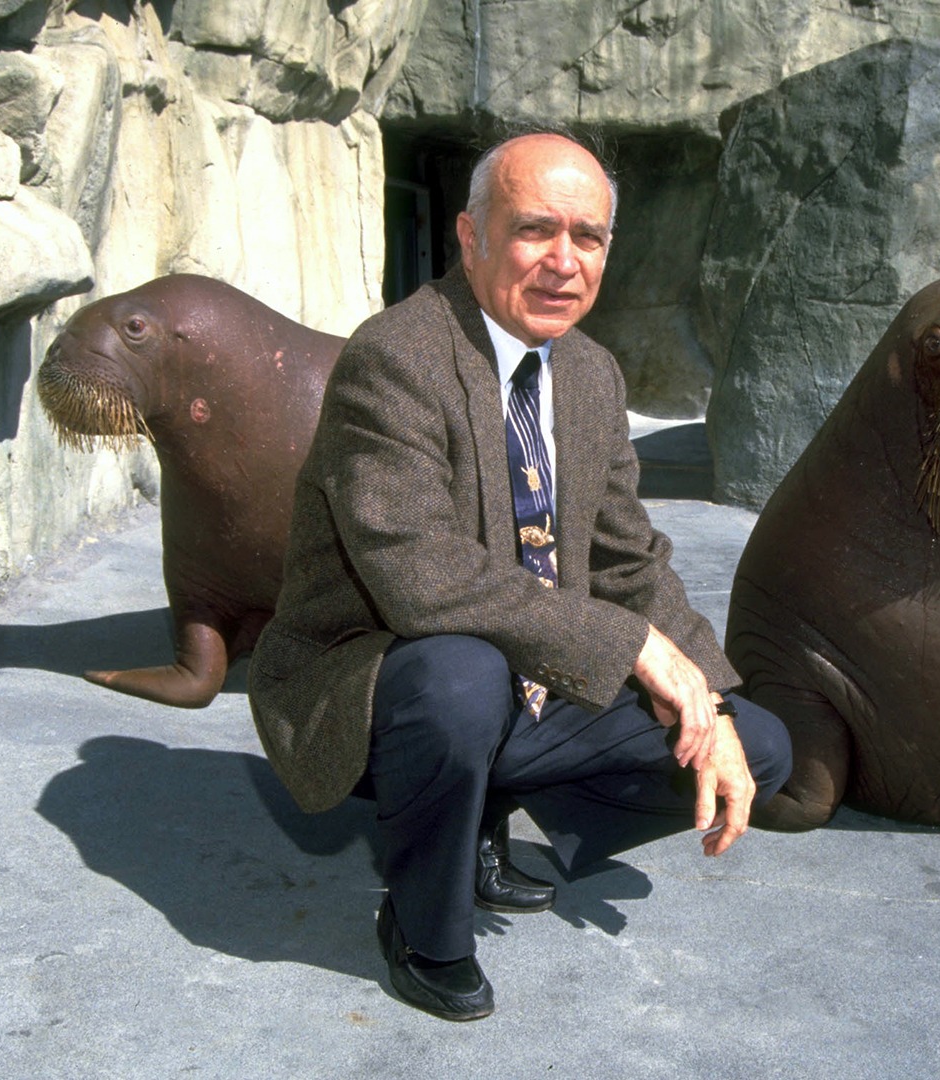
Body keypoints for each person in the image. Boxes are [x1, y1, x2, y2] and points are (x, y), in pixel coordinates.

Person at [247, 131, 792, 1022]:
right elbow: (419, 577)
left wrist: (710, 700)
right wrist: (632, 645)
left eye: (589, 237)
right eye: (536, 230)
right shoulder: (394, 357)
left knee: (761, 747)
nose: (564, 262)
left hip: (525, 679)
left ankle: (479, 815)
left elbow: (624, 558)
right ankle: (424, 927)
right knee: (461, 676)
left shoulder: (589, 373)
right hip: (376, 674)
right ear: (470, 238)